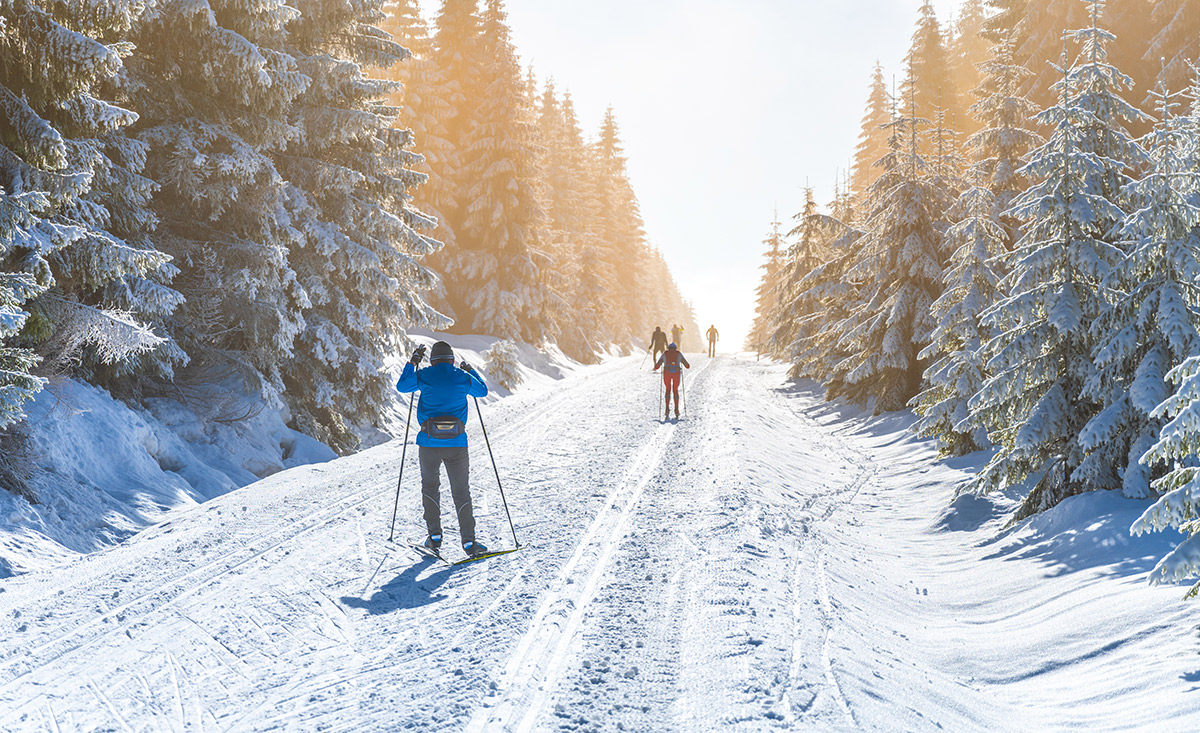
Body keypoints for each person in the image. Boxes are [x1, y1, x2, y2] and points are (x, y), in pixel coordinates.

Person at [396, 341, 490, 557]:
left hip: (428, 444)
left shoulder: (425, 375)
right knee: (461, 491)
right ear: (452, 360)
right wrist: (470, 370)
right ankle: (469, 542)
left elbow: (402, 386)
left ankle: (434, 537)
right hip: (457, 444)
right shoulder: (461, 377)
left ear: (432, 360)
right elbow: (482, 391)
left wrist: (412, 362)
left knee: (430, 488)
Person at [654, 342, 690, 419]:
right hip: (676, 373)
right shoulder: (678, 353)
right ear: (675, 348)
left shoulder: (665, 353)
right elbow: (687, 366)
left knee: (668, 390)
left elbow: (657, 365)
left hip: (667, 373)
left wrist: (657, 366)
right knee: (675, 390)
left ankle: (667, 409)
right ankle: (676, 410)